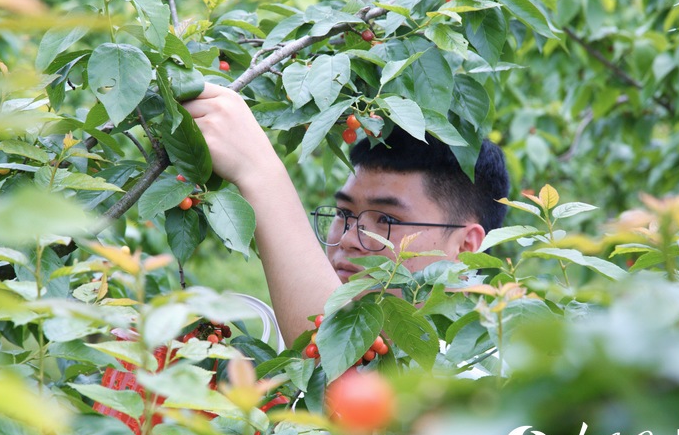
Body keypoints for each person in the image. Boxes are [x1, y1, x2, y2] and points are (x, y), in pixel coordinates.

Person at [183, 83, 510, 345]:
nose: (350, 238)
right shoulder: (276, 360)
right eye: (344, 213)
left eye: (387, 220)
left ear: (465, 247)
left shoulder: (475, 375)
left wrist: (260, 172)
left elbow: (340, 362)